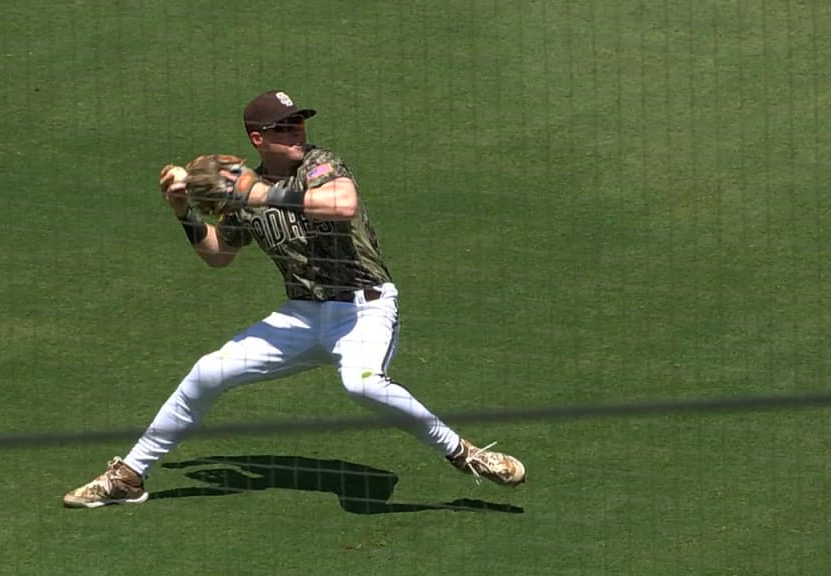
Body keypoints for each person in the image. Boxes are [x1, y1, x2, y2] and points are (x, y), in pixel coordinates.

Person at [62, 90, 525, 508]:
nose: (297, 131)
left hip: (363, 308)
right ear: (258, 139)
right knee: (207, 371)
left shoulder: (320, 164)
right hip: (301, 315)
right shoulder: (243, 191)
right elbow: (220, 254)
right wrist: (183, 213)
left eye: (298, 122)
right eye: (285, 127)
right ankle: (129, 476)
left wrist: (259, 192)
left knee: (360, 383)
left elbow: (341, 203)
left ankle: (464, 454)